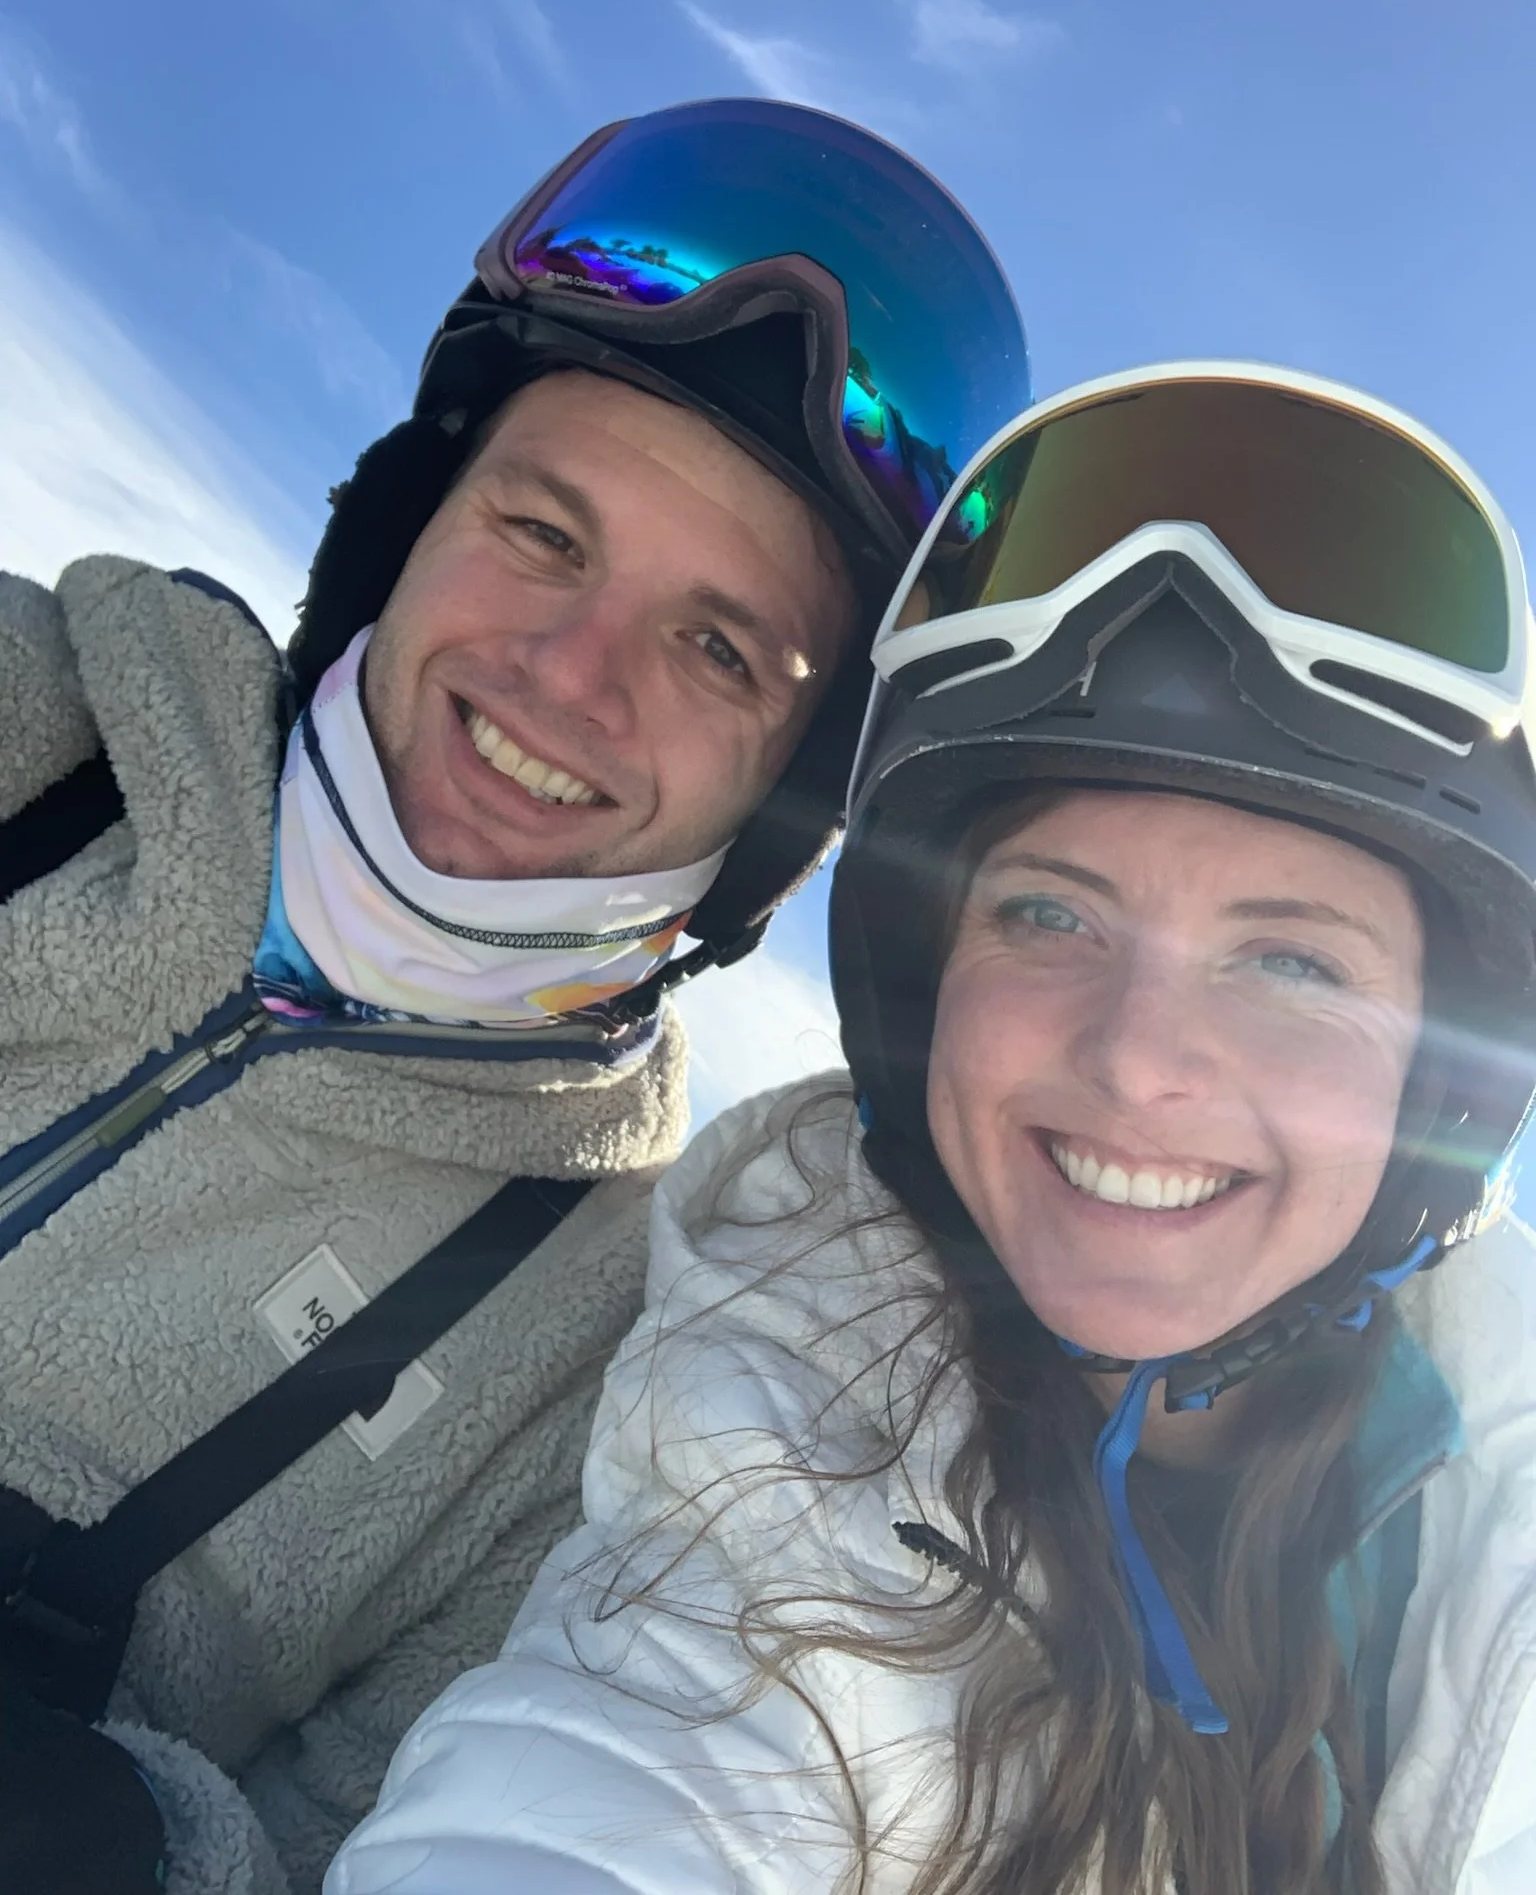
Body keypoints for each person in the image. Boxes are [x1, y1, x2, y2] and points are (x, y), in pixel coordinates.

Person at [0, 97, 1030, 1894]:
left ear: (786, 800)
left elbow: (359, 1844)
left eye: (716, 647)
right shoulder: (49, 719)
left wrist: (114, 1837)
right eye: (545, 534)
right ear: (411, 521)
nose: (566, 675)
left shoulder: (606, 1345)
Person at [330, 362, 1536, 1895]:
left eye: (1292, 962)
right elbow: (619, 1771)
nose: (1139, 1059)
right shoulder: (783, 1422)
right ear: (923, 987)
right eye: (1049, 913)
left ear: (1441, 1086)